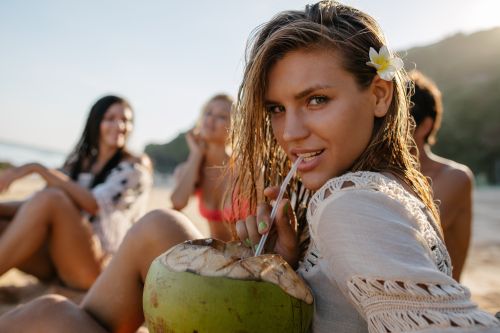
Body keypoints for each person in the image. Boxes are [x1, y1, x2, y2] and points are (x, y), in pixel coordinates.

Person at [1, 2, 499, 332]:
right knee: (157, 228)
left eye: (317, 99)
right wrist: (290, 260)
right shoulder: (372, 188)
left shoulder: (352, 208)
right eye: (277, 109)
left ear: (379, 95)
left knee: (51, 316)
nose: (290, 132)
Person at [0, 95, 152, 290]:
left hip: (98, 268)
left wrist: (36, 168)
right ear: (96, 121)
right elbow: (33, 208)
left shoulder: (134, 168)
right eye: (110, 118)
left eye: (125, 121)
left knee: (53, 198)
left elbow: (93, 204)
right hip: (57, 260)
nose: (120, 126)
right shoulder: (79, 164)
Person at [409, 70, 473, 281]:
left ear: (425, 126)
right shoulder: (380, 174)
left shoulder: (455, 177)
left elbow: (410, 239)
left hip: (441, 307)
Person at [170, 94, 234, 241]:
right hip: (214, 255)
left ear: (235, 126)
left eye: (222, 116)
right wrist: (196, 154)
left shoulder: (245, 169)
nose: (211, 119)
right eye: (208, 113)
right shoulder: (192, 168)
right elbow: (177, 203)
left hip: (247, 257)